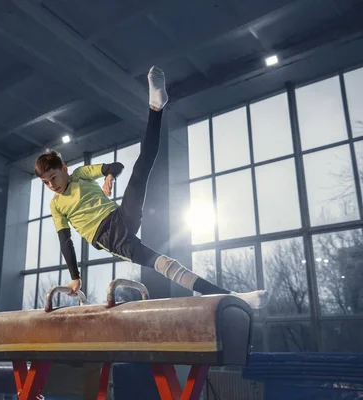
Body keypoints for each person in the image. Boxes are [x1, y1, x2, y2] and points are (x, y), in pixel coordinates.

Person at [34, 66, 268, 309]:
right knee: (167, 264)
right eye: (46, 183)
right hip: (110, 238)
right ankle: (237, 298)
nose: (52, 185)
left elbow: (116, 165)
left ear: (64, 168)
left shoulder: (81, 174)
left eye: (53, 177)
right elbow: (65, 241)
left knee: (142, 166)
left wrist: (108, 176)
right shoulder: (56, 205)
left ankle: (156, 107)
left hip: (121, 216)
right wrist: (75, 278)